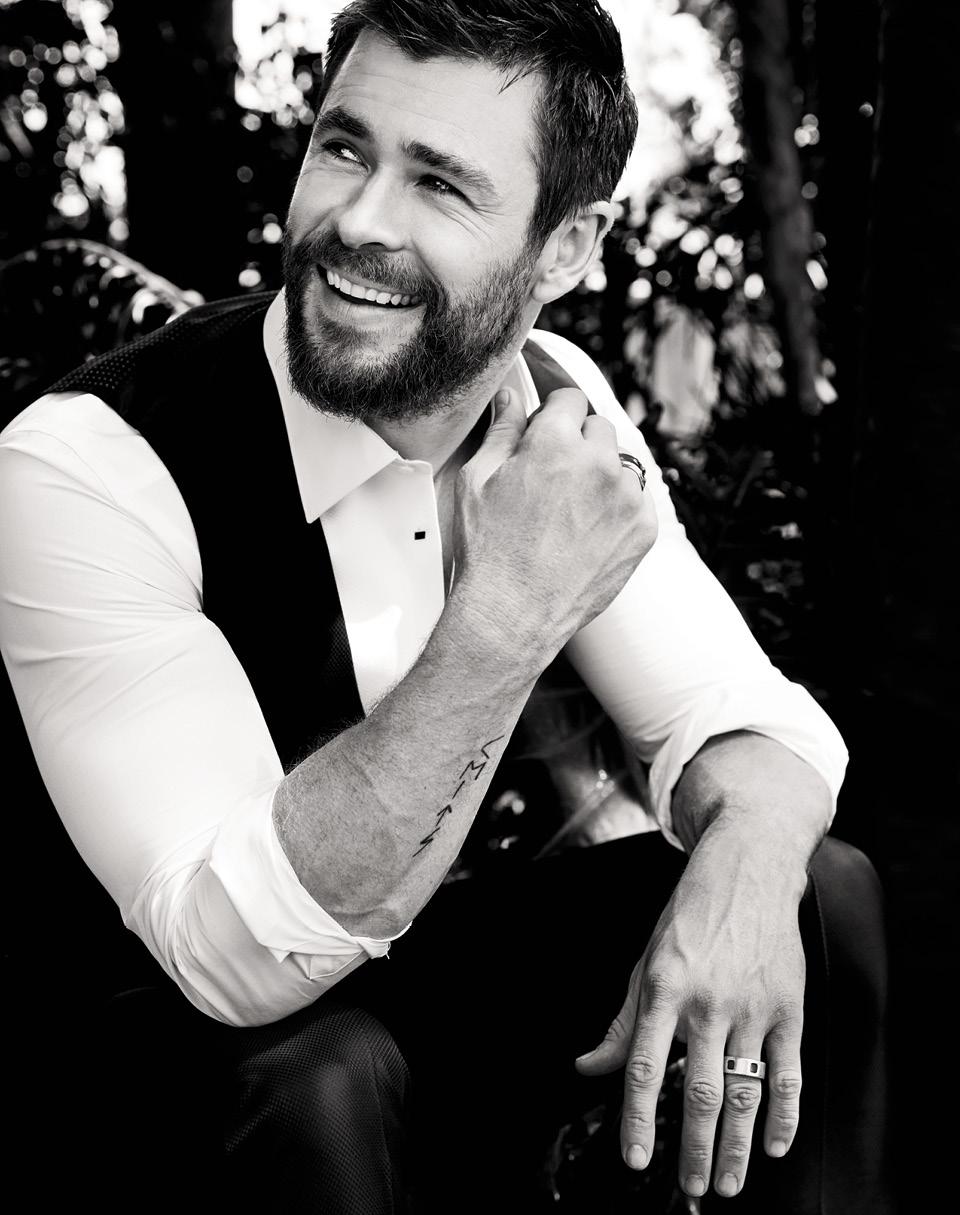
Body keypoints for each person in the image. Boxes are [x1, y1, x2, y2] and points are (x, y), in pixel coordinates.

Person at [0, 2, 888, 1212]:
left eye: (441, 184)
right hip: (127, 1059)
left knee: (818, 891)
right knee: (319, 1077)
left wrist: (747, 867)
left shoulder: (550, 401)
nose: (361, 222)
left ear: (564, 249)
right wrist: (509, 611)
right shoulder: (91, 464)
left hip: (390, 996)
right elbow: (235, 958)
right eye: (345, 147)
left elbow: (746, 721)